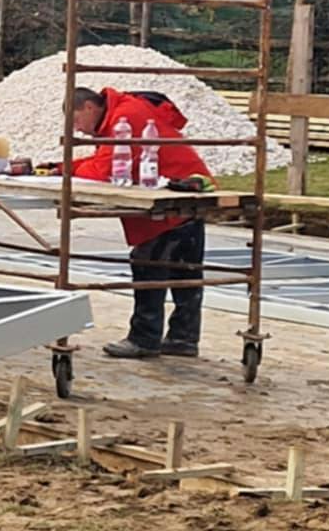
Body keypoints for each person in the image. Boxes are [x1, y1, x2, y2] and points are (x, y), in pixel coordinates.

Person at [67, 85, 219, 359]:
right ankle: (183, 338)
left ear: (89, 107)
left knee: (149, 264)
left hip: (169, 196)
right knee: (185, 270)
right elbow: (106, 160)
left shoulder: (125, 117)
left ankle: (144, 338)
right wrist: (64, 167)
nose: (78, 129)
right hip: (183, 192)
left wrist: (66, 170)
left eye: (76, 120)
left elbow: (105, 169)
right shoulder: (124, 113)